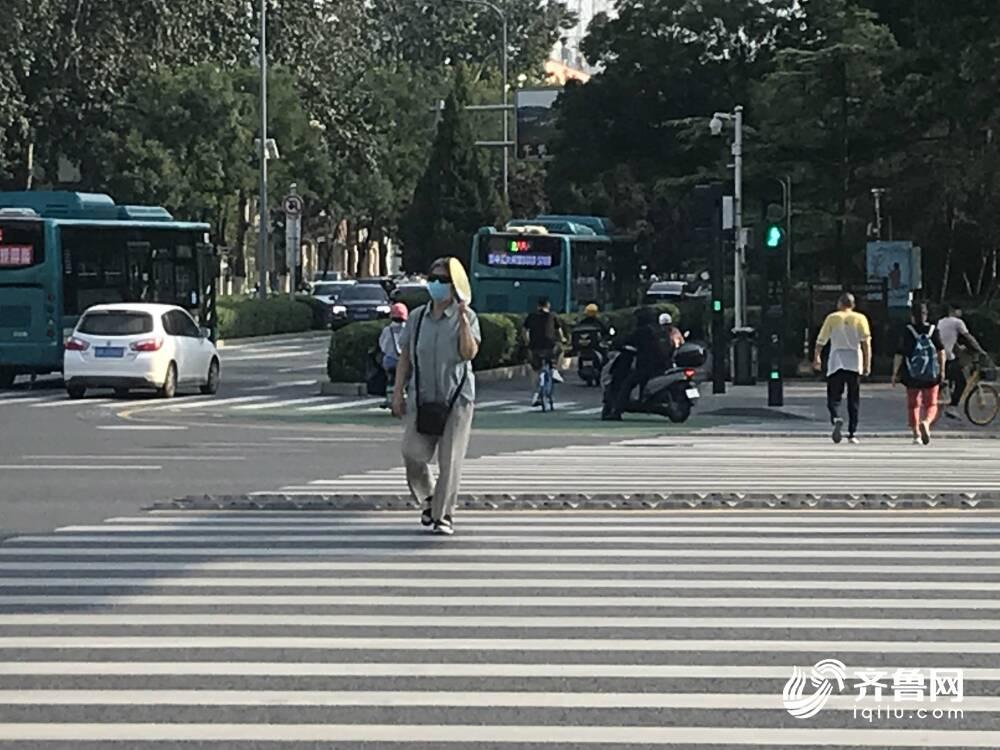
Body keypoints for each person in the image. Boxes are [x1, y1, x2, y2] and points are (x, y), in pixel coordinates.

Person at [391, 258, 480, 536]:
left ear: (454, 287)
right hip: (422, 396)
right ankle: (429, 499)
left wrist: (464, 319)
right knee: (412, 453)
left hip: (456, 398)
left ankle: (443, 515)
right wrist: (397, 392)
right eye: (433, 278)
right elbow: (405, 357)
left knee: (450, 460)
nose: (436, 284)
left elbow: (468, 353)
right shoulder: (417, 317)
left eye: (443, 280)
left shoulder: (467, 317)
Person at [813, 293, 872, 444]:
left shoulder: (832, 318)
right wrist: (867, 364)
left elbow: (821, 340)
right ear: (853, 305)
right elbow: (866, 343)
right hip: (854, 361)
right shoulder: (860, 319)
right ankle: (852, 433)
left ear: (840, 303)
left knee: (833, 397)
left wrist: (817, 357)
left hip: (836, 361)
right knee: (853, 399)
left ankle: (836, 417)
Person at [891, 301, 946, 445]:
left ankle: (916, 434)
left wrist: (895, 373)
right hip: (931, 373)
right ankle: (926, 423)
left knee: (913, 405)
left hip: (911, 374)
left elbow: (899, 353)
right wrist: (942, 370)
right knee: (931, 404)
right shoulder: (934, 330)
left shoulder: (907, 331)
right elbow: (941, 351)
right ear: (926, 315)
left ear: (912, 316)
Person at [604, 307, 667, 421]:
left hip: (646, 365)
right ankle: (643, 402)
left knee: (627, 385)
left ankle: (616, 411)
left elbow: (628, 339)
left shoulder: (643, 331)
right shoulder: (660, 330)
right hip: (664, 364)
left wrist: (616, 342)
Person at [938, 303, 987, 419]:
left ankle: (945, 390)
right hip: (947, 356)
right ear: (953, 311)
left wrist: (959, 348)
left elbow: (947, 339)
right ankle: (952, 407)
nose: (960, 313)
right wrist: (980, 350)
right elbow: (969, 338)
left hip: (940, 355)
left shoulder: (941, 322)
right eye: (958, 310)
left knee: (952, 373)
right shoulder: (957, 322)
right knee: (962, 382)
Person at [523, 297, 566, 405]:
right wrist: (563, 339)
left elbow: (524, 331)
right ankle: (555, 370)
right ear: (548, 306)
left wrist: (527, 342)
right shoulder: (553, 316)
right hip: (550, 346)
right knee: (561, 350)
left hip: (535, 347)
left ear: (538, 306)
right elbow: (560, 332)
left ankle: (536, 393)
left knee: (535, 370)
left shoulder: (531, 316)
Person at [377, 303, 408, 408]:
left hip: (390, 361)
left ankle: (389, 397)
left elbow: (382, 345)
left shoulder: (387, 330)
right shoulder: (408, 329)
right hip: (406, 362)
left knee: (390, 378)